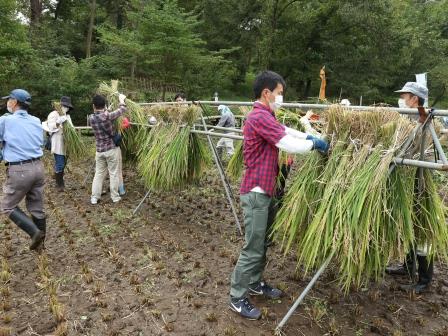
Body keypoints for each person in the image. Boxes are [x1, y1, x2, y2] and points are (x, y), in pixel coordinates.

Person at [229, 71, 329, 320]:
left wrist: (310, 136)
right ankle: (237, 297)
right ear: (267, 93)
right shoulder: (257, 116)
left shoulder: (267, 115)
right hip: (255, 193)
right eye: (280, 93)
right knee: (253, 247)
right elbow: (286, 142)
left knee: (263, 242)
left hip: (267, 190)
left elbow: (286, 130)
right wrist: (314, 145)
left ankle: (255, 283)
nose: (281, 97)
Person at [386, 81, 432, 294]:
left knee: (421, 224)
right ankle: (407, 266)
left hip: (421, 179)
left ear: (414, 99)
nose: (402, 100)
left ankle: (424, 278)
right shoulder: (408, 118)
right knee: (409, 221)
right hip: (408, 175)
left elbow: (419, 147)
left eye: (405, 96)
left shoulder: (424, 119)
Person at [0, 89, 46, 251]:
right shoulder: (36, 120)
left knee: (7, 206)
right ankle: (41, 247)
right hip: (38, 167)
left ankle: (34, 232)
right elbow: (41, 141)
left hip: (19, 170)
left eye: (9, 100)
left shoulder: (5, 121)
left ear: (14, 102)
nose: (7, 103)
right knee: (37, 208)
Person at [89, 93, 127, 204]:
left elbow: (102, 114)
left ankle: (94, 197)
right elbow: (122, 109)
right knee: (113, 173)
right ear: (105, 105)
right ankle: (115, 197)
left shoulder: (91, 118)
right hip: (111, 149)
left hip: (99, 151)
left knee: (99, 174)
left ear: (93, 106)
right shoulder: (107, 116)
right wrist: (121, 99)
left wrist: (107, 109)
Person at [45, 96, 73, 191]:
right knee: (60, 163)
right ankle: (59, 184)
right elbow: (50, 128)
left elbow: (72, 129)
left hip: (67, 143)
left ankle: (57, 174)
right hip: (58, 142)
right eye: (64, 106)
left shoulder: (67, 116)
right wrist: (58, 122)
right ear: (60, 105)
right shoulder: (53, 114)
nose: (66, 108)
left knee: (64, 162)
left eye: (67, 106)